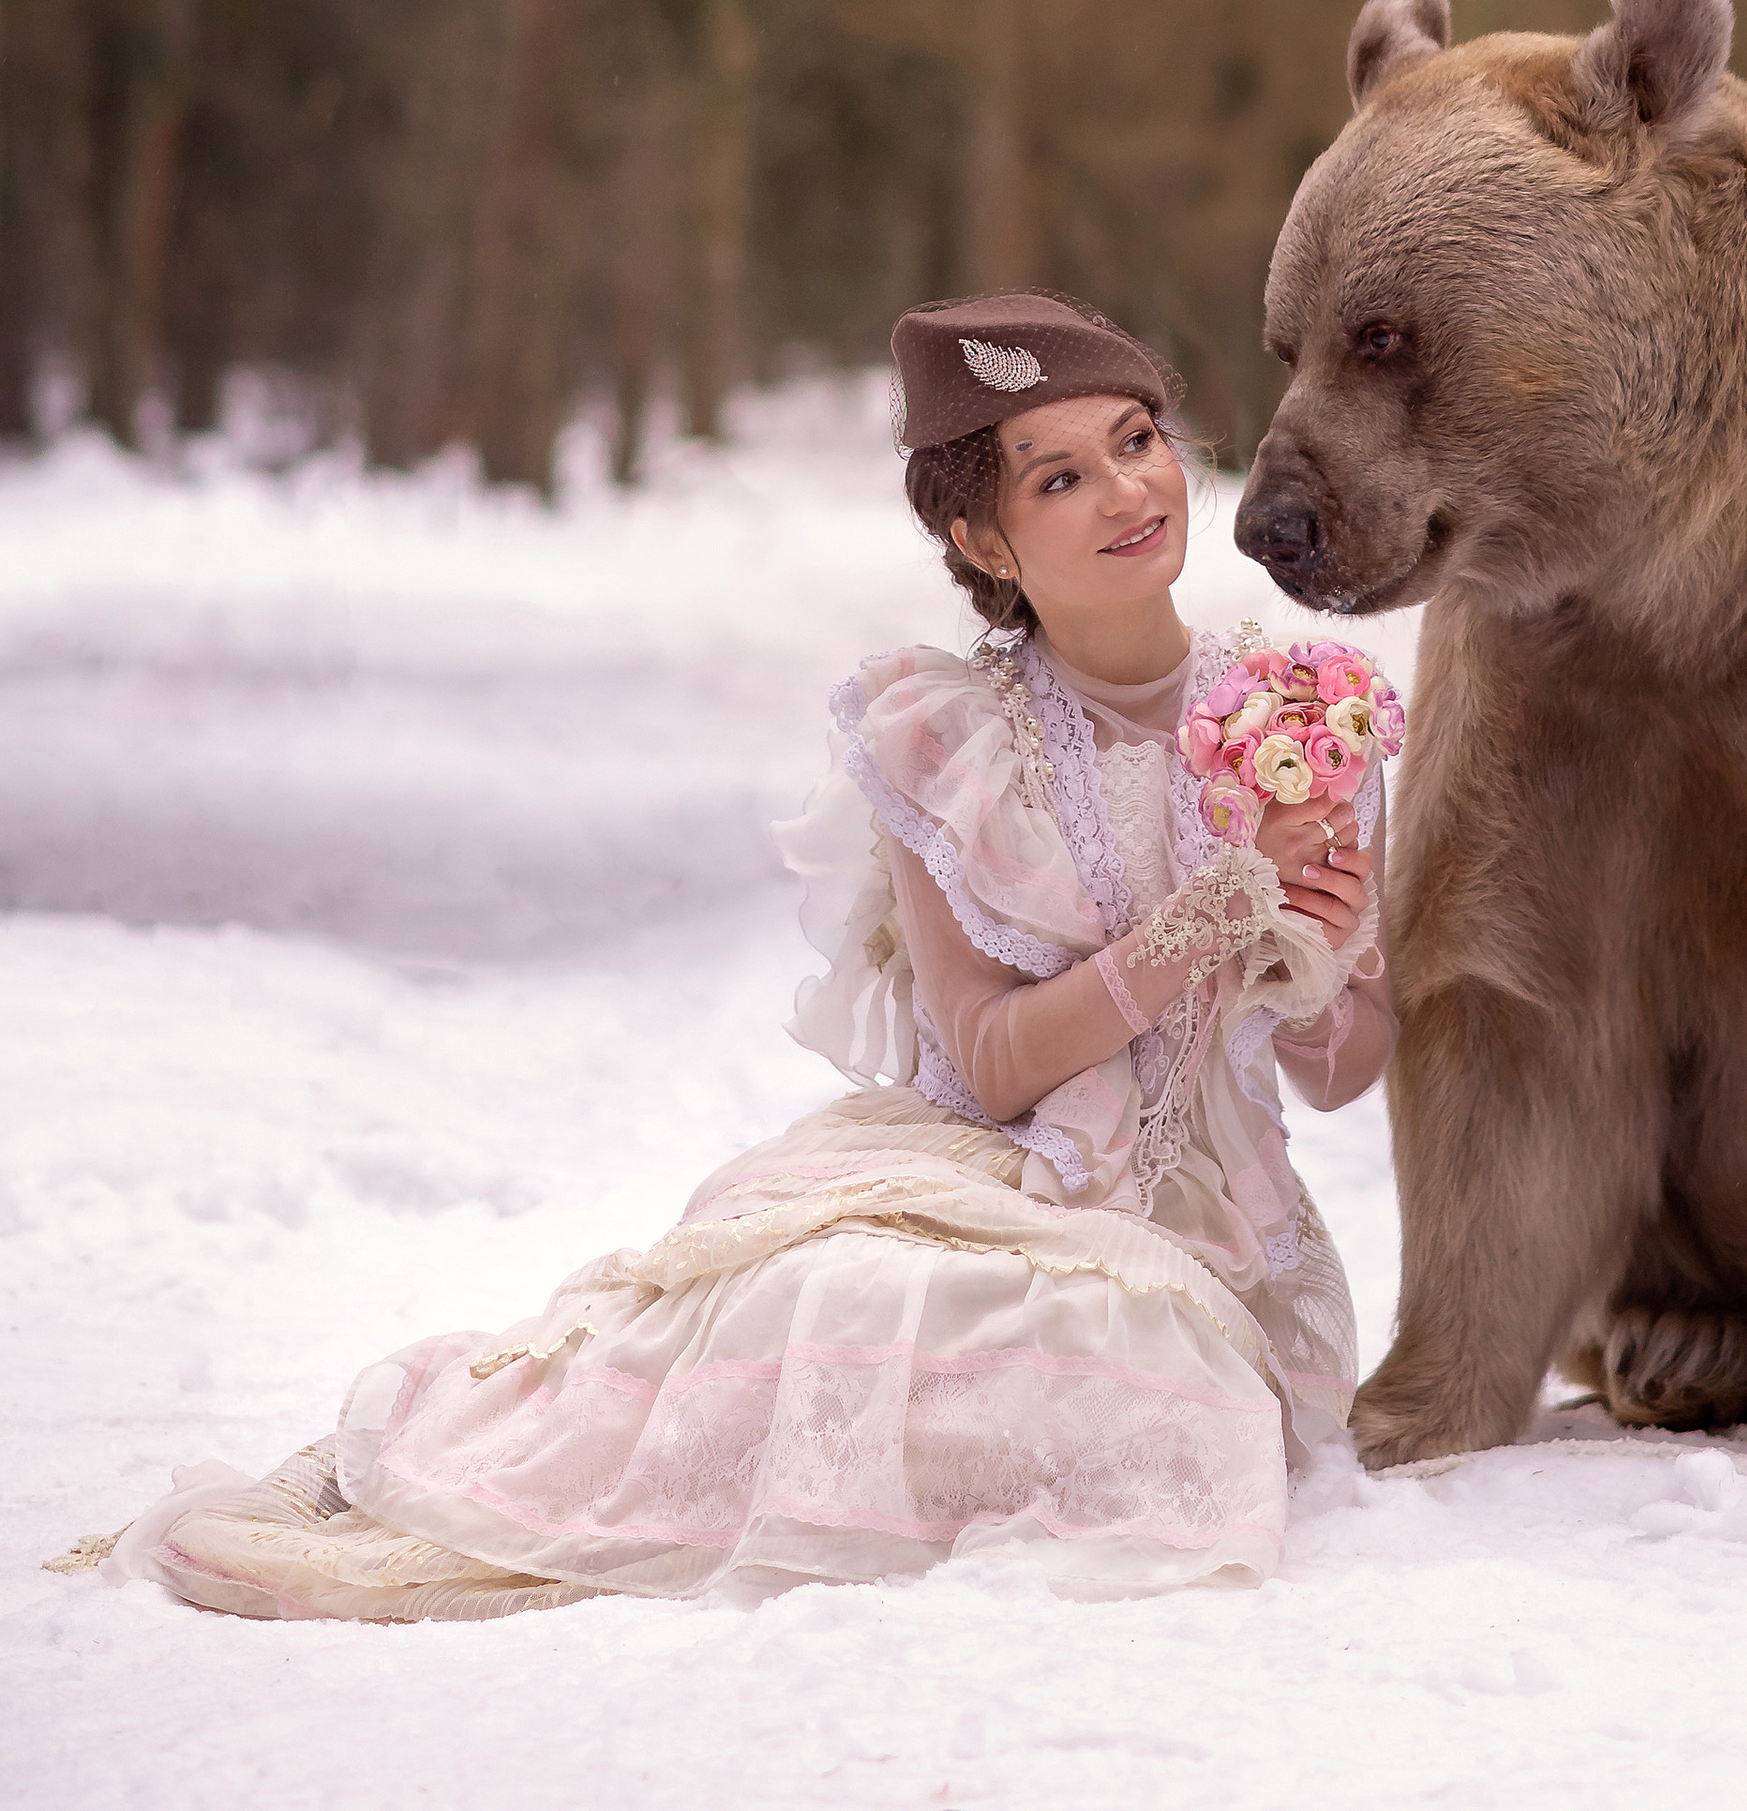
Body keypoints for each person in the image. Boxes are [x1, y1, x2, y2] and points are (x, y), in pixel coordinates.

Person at [93, 293, 1394, 1614]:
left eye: (1137, 441)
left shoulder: (1301, 719)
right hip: (995, 1172)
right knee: (856, 1307)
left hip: (1213, 1228)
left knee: (1135, 1375)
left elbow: (1342, 1071)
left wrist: (1325, 949)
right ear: (982, 539)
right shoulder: (945, 739)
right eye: (1060, 477)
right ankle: (484, 1483)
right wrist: (1202, 924)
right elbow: (996, 1066)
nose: (1129, 492)